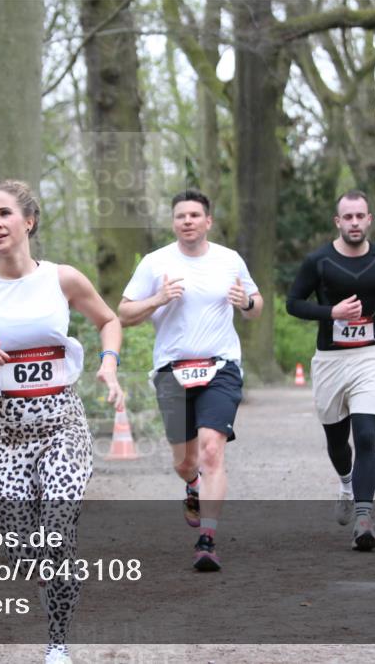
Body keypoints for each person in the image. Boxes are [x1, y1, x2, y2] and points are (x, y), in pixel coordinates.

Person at [0, 180, 124, 664]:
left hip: (61, 420)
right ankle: (48, 574)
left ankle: (58, 643)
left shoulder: (62, 279)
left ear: (29, 221)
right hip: (3, 429)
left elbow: (109, 319)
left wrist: (108, 362)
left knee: (57, 534)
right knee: (23, 550)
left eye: (3, 214)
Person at [117, 189, 262, 572]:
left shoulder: (229, 260)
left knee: (212, 450)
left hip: (221, 366)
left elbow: (256, 305)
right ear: (173, 222)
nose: (188, 221)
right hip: (172, 369)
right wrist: (157, 299)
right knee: (186, 462)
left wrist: (245, 303)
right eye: (181, 216)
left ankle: (208, 539)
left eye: (195, 215)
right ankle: (192, 486)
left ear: (208, 221)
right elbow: (124, 313)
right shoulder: (155, 262)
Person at [285, 190, 375, 551]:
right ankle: (345, 479)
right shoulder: (319, 261)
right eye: (348, 217)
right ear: (337, 222)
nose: (355, 223)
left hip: (369, 357)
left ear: (369, 219)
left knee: (366, 435)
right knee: (337, 441)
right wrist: (331, 313)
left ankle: (364, 519)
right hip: (330, 361)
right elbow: (293, 303)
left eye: (360, 216)